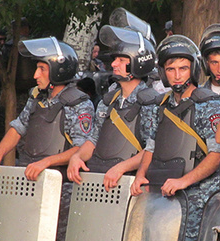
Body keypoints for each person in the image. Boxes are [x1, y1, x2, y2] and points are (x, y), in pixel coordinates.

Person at [0, 37, 94, 241]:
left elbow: (81, 147)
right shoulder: (36, 97)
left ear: (58, 71)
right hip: (30, 182)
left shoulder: (79, 103)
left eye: (42, 69)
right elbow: (17, 129)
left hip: (62, 187)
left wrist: (46, 162)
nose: (35, 74)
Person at [130, 35, 220, 241]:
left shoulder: (208, 104)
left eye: (183, 68)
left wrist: (184, 181)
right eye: (171, 69)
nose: (177, 74)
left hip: (198, 196)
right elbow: (150, 147)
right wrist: (141, 174)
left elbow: (216, 155)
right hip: (162, 194)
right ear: (163, 73)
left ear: (192, 70)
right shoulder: (160, 106)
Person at [67, 25, 159, 191]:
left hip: (129, 185)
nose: (114, 64)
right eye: (115, 59)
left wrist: (121, 167)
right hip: (99, 181)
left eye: (121, 60)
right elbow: (94, 139)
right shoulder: (109, 100)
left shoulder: (149, 101)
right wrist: (77, 156)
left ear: (138, 64)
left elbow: (151, 149)